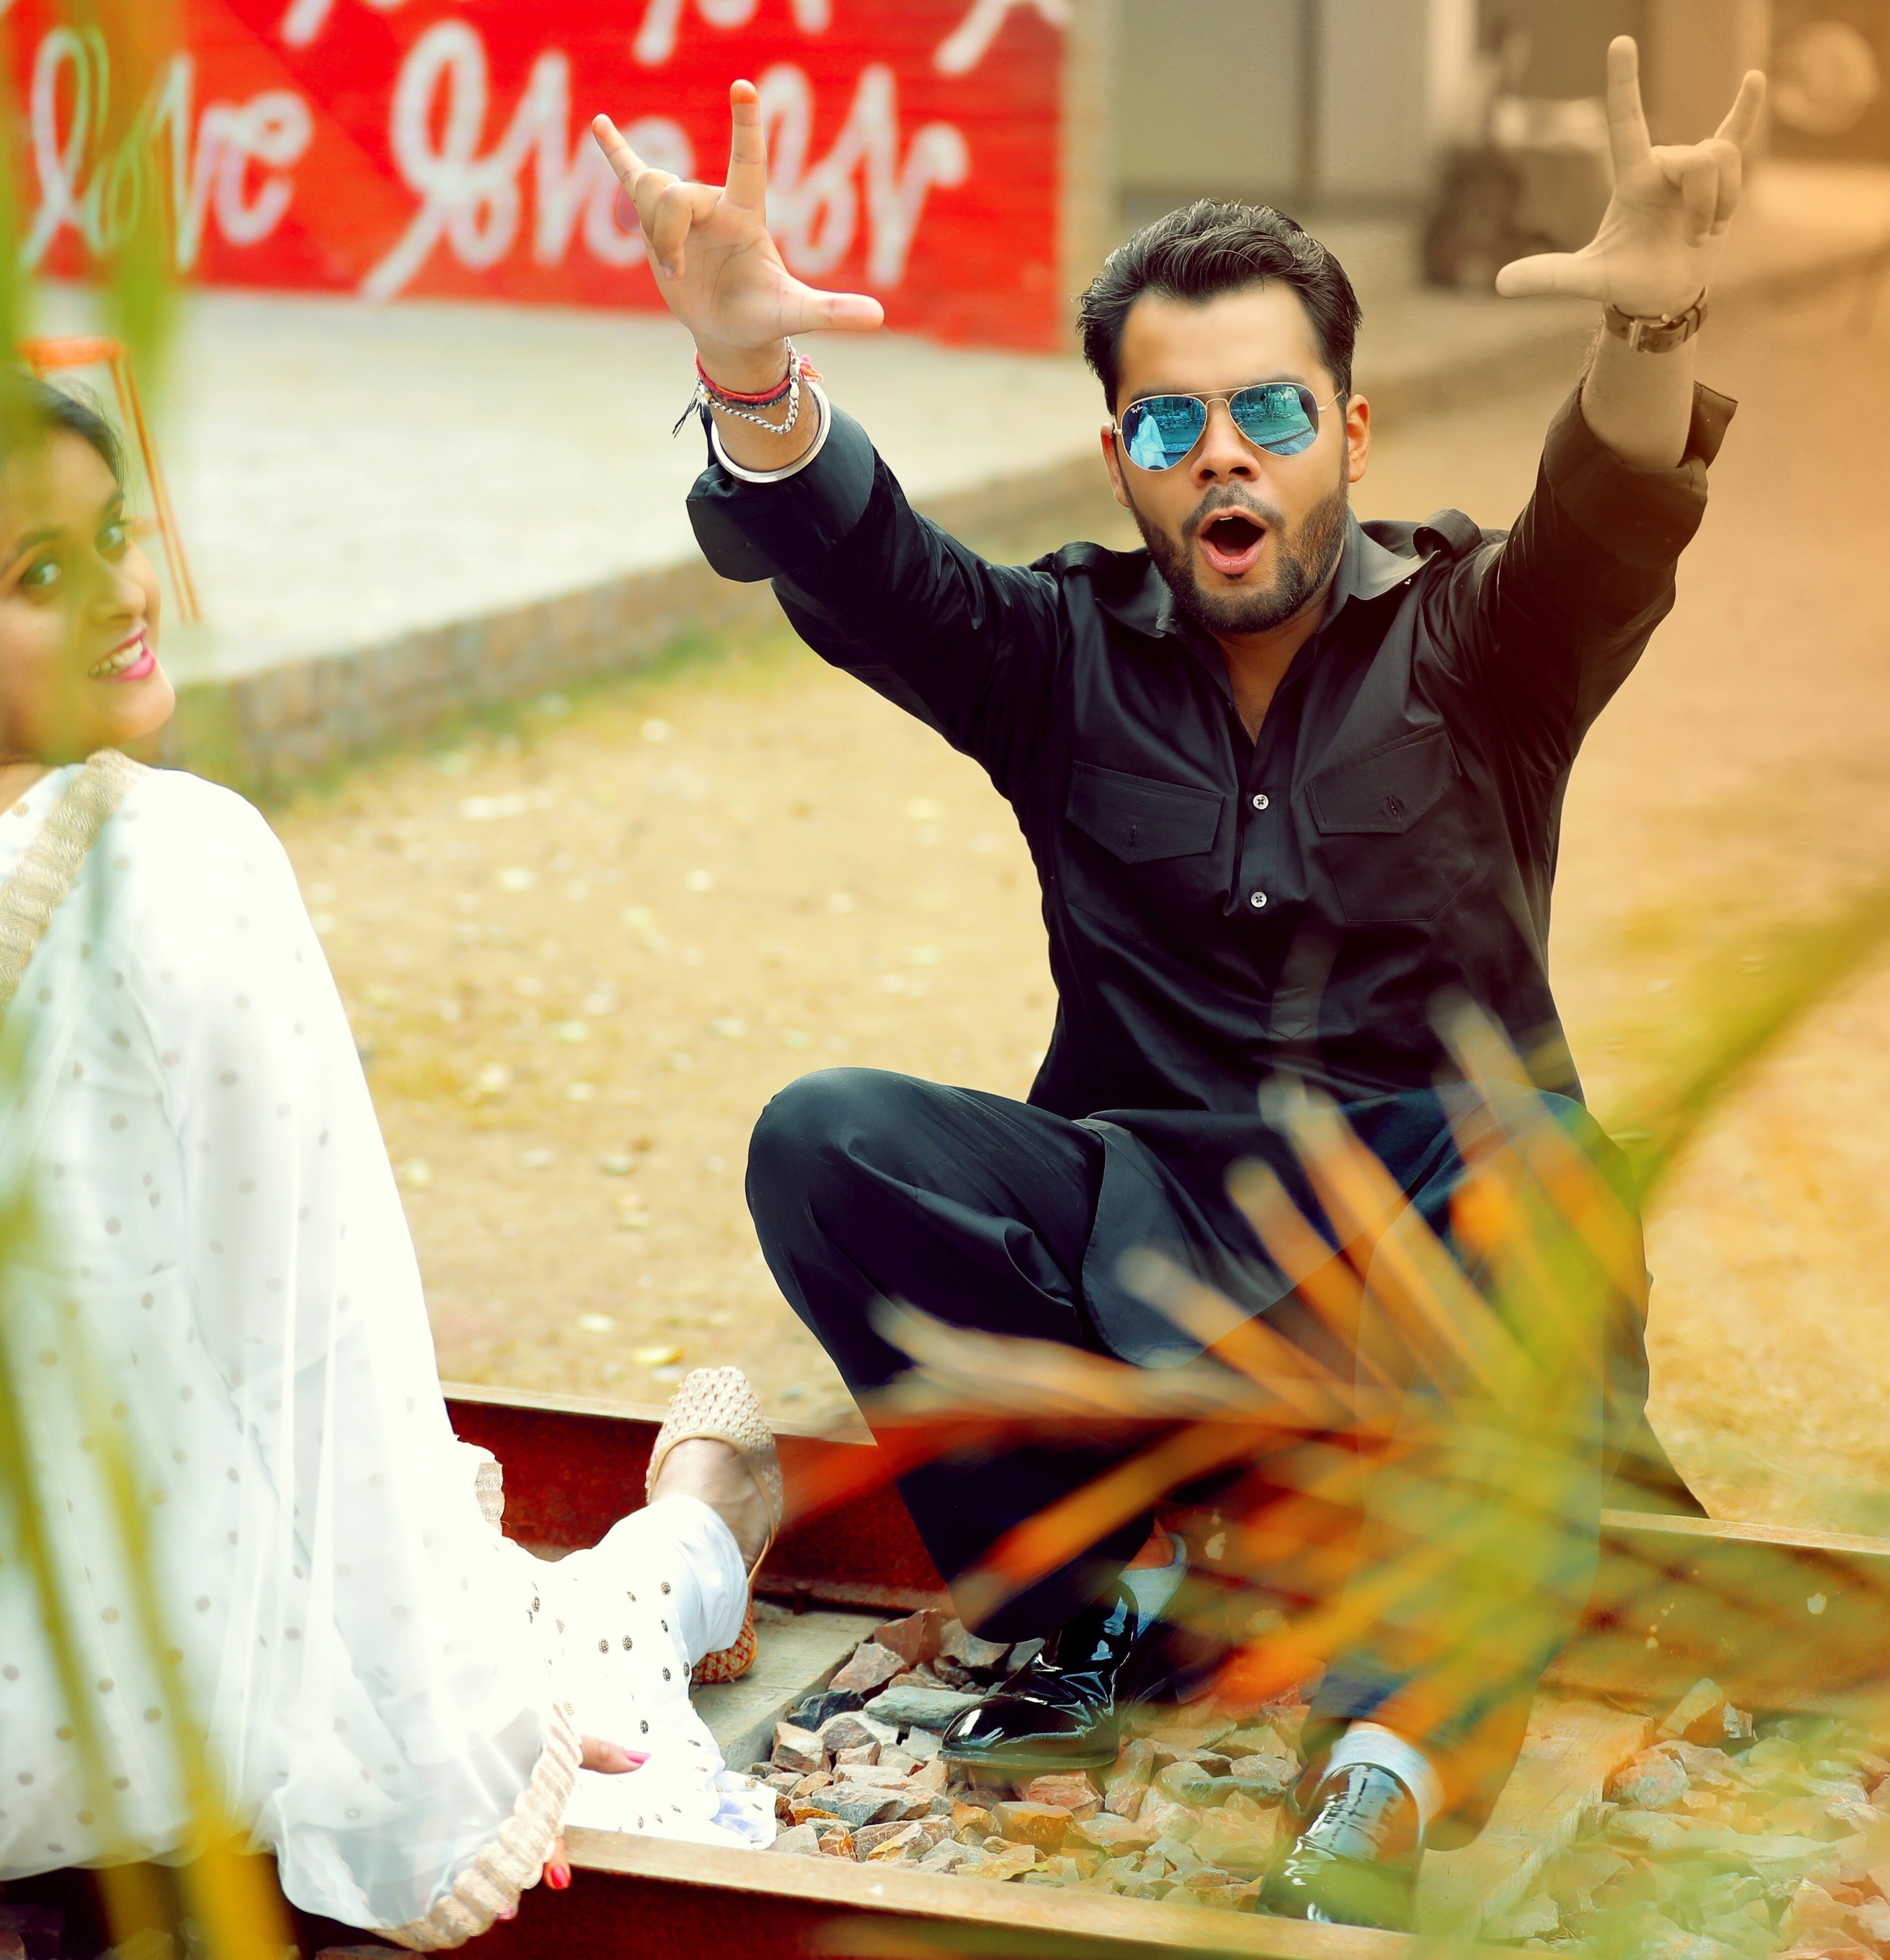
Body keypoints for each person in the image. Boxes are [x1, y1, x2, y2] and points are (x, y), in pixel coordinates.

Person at [594, 33, 1754, 1929]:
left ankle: (1382, 1771)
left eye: (1269, 411)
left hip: (1439, 1256)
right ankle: (1099, 1610)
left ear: (1349, 436)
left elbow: (1614, 510)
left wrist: (1652, 323)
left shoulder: (1485, 641)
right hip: (1148, 1236)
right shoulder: (1051, 659)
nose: (1222, 452)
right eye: (1168, 423)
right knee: (827, 1140)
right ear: (1120, 460)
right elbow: (868, 566)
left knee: (1538, 1169)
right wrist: (746, 371)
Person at [0, 350, 781, 1948]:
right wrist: (455, 1763)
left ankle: (684, 1529)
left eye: (113, 533)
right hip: (127, 1721)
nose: (129, 593)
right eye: (42, 574)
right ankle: (698, 1524)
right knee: (566, 1630)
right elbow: (312, 1357)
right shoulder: (165, 861)